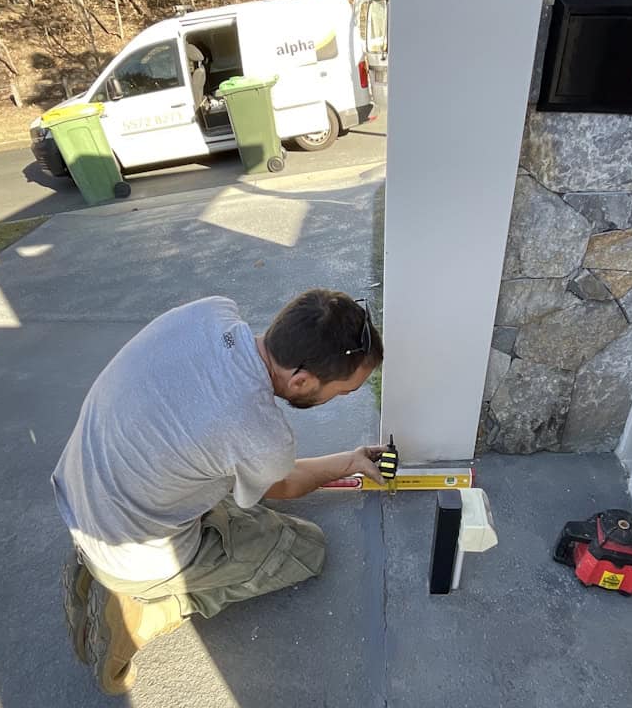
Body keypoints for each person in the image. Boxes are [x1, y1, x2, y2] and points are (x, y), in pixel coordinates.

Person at [52, 289, 386, 694]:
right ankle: (139, 611)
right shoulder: (260, 433)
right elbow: (286, 483)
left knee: (221, 471)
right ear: (301, 380)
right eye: (345, 391)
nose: (343, 398)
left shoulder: (212, 312)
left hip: (83, 493)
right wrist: (348, 461)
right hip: (131, 548)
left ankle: (92, 564)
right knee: (306, 550)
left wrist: (350, 460)